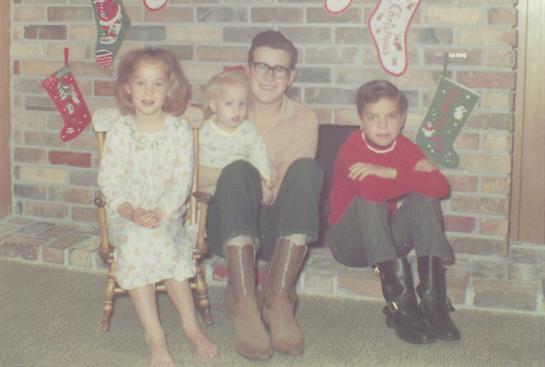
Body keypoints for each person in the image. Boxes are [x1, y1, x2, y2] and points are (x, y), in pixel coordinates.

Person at [201, 30, 323, 360]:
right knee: (239, 168)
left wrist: (268, 183)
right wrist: (243, 175)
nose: (269, 77)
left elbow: (291, 187)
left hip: (276, 229)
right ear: (248, 69)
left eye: (279, 69)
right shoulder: (226, 109)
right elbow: (190, 175)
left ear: (291, 76)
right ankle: (244, 301)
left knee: (308, 170)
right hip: (228, 224)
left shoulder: (304, 118)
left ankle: (278, 296)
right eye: (262, 67)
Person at [97, 48, 218, 366]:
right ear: (127, 88)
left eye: (157, 84)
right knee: (138, 241)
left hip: (168, 214)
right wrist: (129, 211)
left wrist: (162, 212)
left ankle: (190, 327)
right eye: (140, 83)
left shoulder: (177, 130)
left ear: (170, 89)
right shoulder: (121, 132)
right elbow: (109, 180)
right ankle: (155, 335)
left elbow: (181, 181)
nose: (148, 92)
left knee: (163, 239)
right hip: (127, 215)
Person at [326, 80, 461, 345]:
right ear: (360, 120)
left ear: (402, 119)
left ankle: (434, 303)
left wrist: (391, 172)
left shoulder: (405, 148)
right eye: (373, 117)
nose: (383, 125)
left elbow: (439, 187)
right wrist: (412, 176)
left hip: (383, 240)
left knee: (425, 198)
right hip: (348, 244)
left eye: (391, 116)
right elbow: (371, 192)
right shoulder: (351, 149)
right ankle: (402, 307)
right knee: (369, 200)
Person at [198, 70, 272, 203]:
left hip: (239, 191)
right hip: (207, 192)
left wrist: (264, 182)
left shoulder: (249, 131)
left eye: (241, 104)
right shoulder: (203, 130)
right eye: (229, 104)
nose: (236, 110)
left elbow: (259, 156)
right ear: (214, 105)